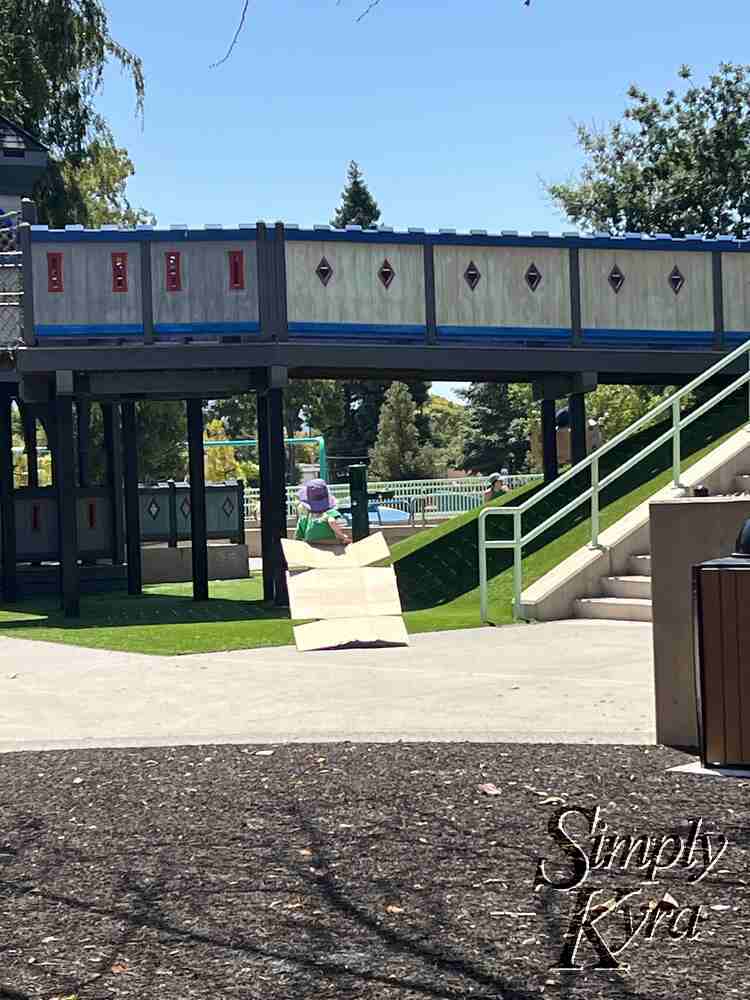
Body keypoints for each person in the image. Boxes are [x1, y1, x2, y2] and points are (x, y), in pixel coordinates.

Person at [295, 479, 351, 549]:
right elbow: (332, 522)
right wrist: (343, 536)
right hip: (331, 545)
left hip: (311, 546)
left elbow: (298, 538)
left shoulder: (304, 518)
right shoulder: (330, 512)